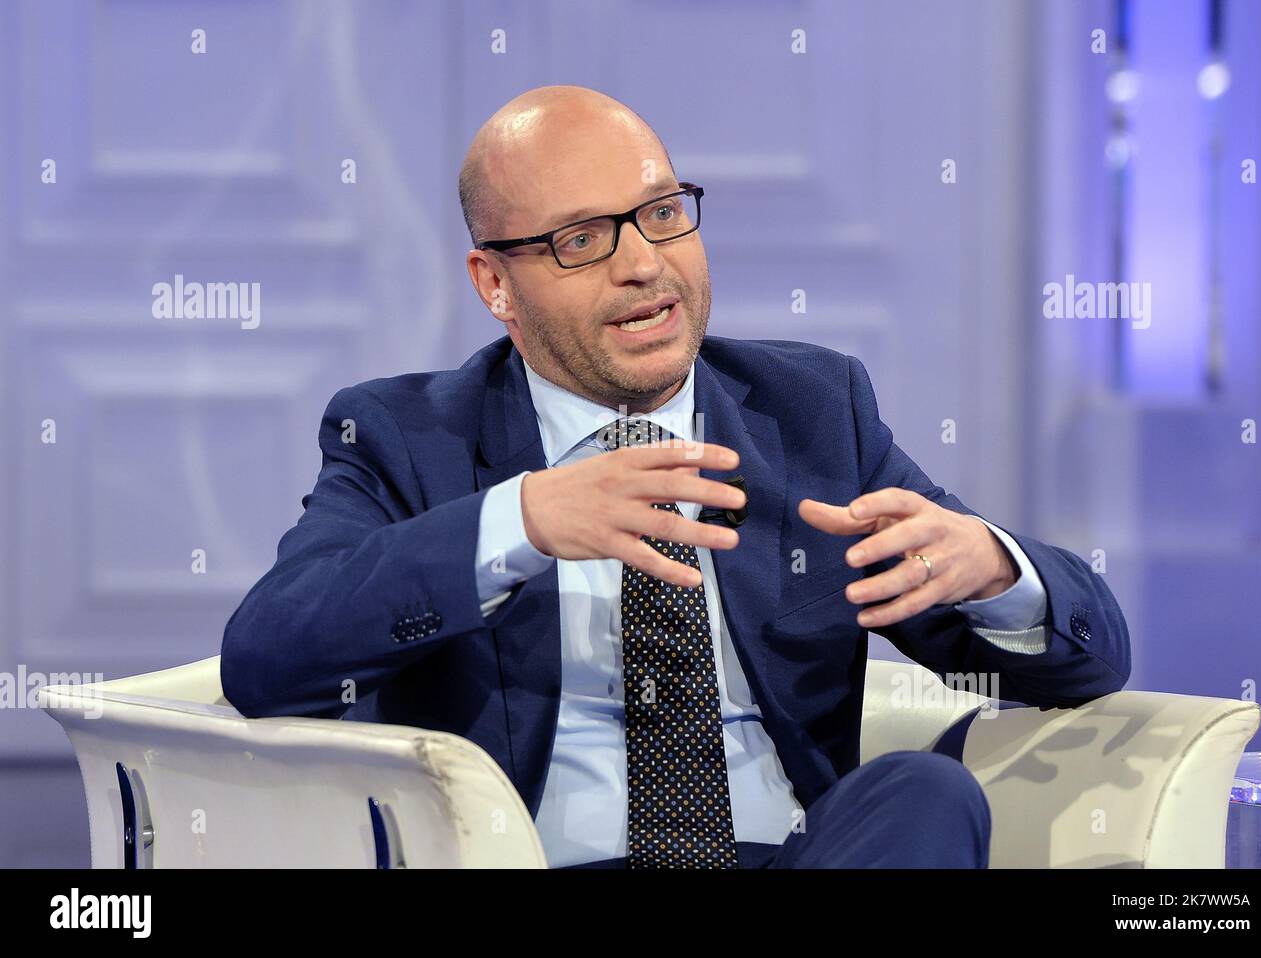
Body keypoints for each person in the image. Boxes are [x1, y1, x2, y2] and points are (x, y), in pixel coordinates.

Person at [220, 84, 1130, 869]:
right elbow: (267, 656)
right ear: (494, 284)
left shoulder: (811, 411)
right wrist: (522, 522)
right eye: (582, 239)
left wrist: (998, 571)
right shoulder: (406, 435)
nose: (644, 265)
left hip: (789, 857)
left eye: (661, 214)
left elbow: (1093, 658)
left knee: (923, 795)